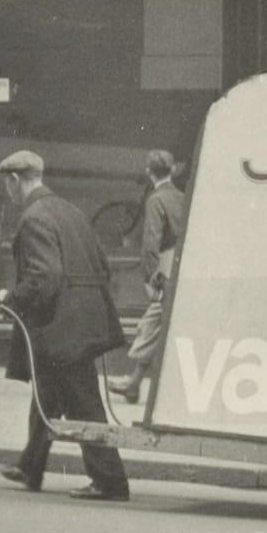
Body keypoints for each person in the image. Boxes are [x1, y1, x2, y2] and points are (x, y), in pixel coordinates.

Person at [0, 150, 131, 502]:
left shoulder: (33, 217)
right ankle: (29, 466)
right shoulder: (70, 211)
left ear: (15, 180)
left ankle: (110, 482)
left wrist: (11, 299)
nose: (8, 191)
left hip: (62, 327)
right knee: (47, 392)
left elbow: (45, 276)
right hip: (82, 321)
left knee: (84, 404)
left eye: (7, 184)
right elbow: (102, 265)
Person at [108, 150, 187, 404]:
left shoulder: (156, 199)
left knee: (153, 322)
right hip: (181, 265)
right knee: (155, 323)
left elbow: (150, 242)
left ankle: (134, 384)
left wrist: (151, 276)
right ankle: (134, 383)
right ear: (173, 169)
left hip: (164, 267)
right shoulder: (183, 198)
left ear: (148, 172)